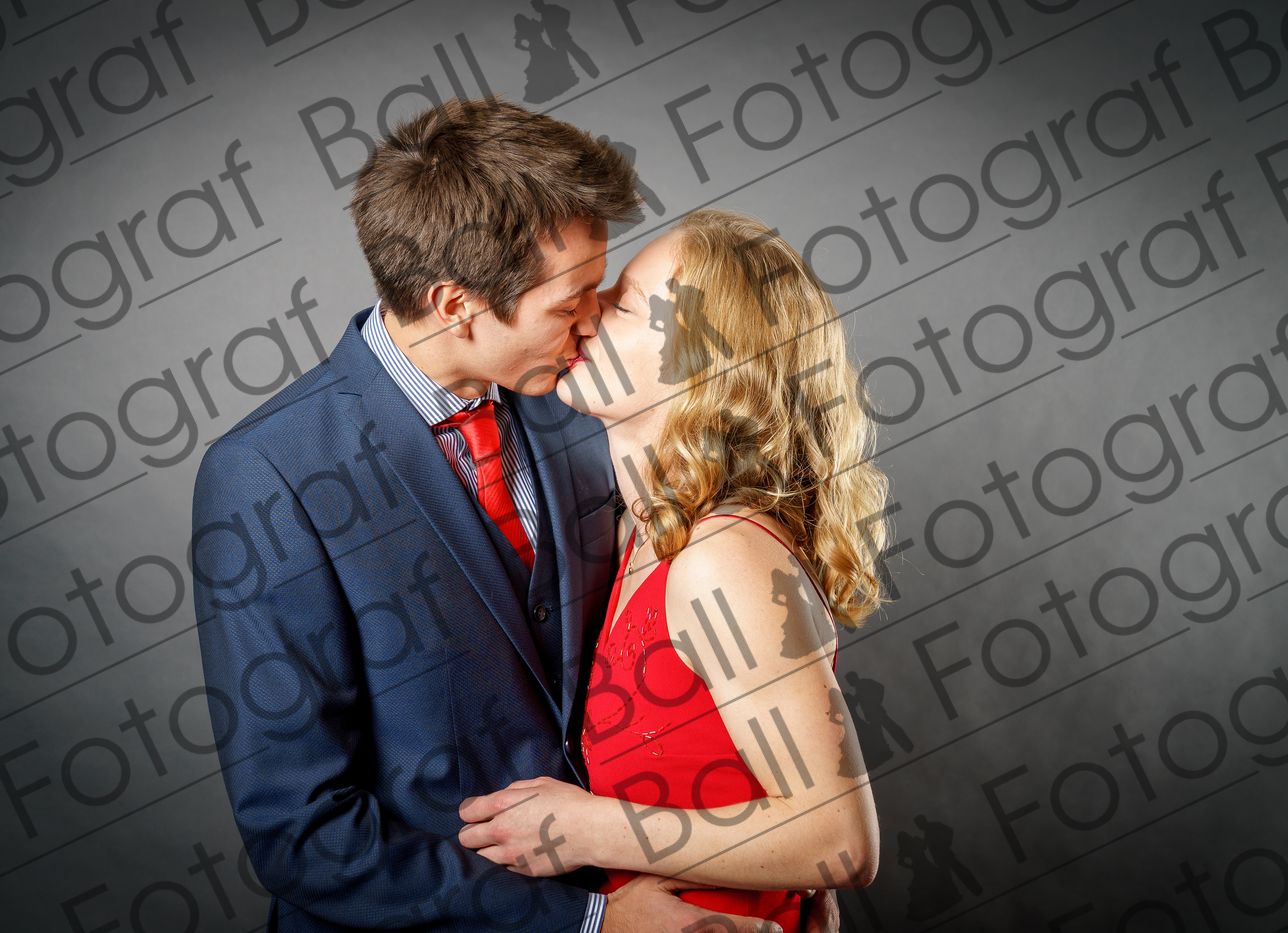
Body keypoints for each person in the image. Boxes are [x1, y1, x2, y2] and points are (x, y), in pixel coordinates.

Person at [191, 96, 837, 932]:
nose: (593, 320)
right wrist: (589, 922)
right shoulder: (267, 474)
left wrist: (781, 865)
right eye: (570, 301)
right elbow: (306, 836)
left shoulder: (589, 405)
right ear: (456, 304)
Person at [456, 208, 889, 931]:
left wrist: (586, 828)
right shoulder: (645, 534)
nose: (584, 313)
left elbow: (838, 841)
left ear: (704, 363)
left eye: (623, 303)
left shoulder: (722, 557)